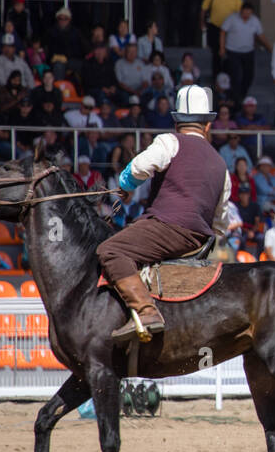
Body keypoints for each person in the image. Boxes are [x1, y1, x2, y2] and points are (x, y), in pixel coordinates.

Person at [97, 86, 232, 345]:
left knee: (110, 251)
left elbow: (138, 167)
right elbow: (220, 221)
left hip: (167, 227)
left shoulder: (169, 141)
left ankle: (146, 312)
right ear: (207, 125)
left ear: (176, 121)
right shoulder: (220, 163)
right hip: (200, 241)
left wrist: (124, 186)